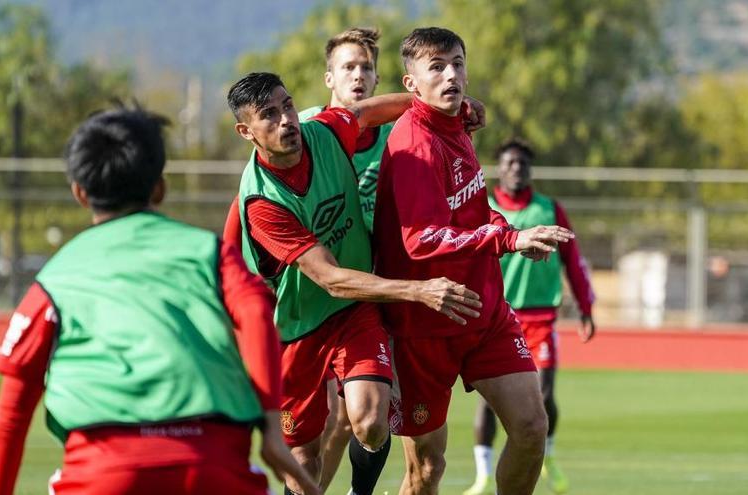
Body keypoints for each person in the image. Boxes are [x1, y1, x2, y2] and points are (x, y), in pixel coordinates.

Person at [0, 106, 319, 495]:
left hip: (104, 469)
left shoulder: (55, 278)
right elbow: (256, 311)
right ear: (159, 187)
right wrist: (270, 426)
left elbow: (12, 413)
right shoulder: (209, 253)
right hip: (212, 461)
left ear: (80, 193)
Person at [227, 72, 484, 495]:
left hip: (355, 311)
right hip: (295, 327)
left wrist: (445, 106)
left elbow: (371, 111)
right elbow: (329, 278)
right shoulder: (263, 202)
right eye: (269, 115)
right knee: (305, 458)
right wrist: (418, 290)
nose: (286, 120)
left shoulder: (325, 131)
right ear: (246, 131)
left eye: (287, 105)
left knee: (370, 420)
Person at [373, 27, 575, 495]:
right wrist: (507, 240)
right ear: (411, 84)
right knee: (427, 470)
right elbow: (420, 239)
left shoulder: (457, 123)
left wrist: (507, 230)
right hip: (424, 324)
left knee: (530, 428)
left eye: (458, 64)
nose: (451, 75)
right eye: (437, 67)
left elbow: (469, 208)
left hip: (483, 312)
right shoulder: (414, 145)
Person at [464, 138, 597, 495]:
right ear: (499, 168)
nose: (516, 169)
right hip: (495, 316)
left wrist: (586, 307)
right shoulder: (484, 207)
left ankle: (545, 454)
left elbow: (574, 261)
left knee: (544, 393)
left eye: (523, 163)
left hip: (541, 319)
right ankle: (482, 474)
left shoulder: (550, 209)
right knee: (489, 399)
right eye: (510, 163)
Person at [296, 27, 394, 492]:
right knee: (320, 428)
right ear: (329, 78)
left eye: (367, 68)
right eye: (348, 67)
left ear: (378, 81)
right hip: (306, 298)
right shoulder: (305, 131)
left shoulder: (397, 137)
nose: (358, 74)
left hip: (367, 293)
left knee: (365, 419)